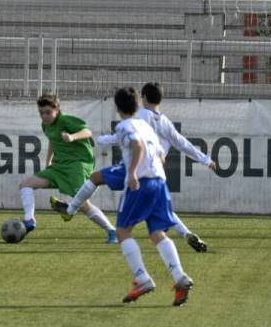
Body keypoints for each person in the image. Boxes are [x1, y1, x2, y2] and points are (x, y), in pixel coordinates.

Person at [51, 82, 216, 253]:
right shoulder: (165, 122)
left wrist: (102, 140)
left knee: (96, 179)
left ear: (143, 98)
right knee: (157, 210)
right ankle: (186, 234)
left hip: (135, 166)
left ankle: (70, 210)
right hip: (156, 172)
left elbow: (128, 137)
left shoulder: (141, 116)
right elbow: (183, 143)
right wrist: (205, 159)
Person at [111, 87, 193, 306]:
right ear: (138, 105)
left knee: (122, 230)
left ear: (117, 107)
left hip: (142, 183)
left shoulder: (124, 126)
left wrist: (131, 173)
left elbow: (136, 145)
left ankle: (141, 278)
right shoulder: (146, 126)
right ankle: (179, 277)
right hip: (160, 182)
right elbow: (160, 155)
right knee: (156, 232)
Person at [20, 93, 117, 243]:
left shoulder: (65, 120)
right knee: (26, 184)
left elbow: (87, 132)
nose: (44, 116)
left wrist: (72, 137)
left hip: (76, 165)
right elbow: (53, 140)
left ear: (57, 110)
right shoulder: (45, 125)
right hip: (59, 166)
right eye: (41, 112)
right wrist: (49, 161)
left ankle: (111, 231)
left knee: (84, 204)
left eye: (47, 112)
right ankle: (29, 220)